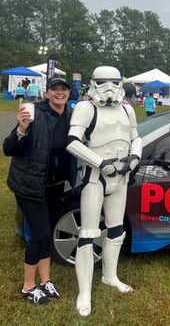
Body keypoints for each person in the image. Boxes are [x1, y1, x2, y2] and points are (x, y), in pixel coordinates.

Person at [66, 66, 142, 317]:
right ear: (93, 83)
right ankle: (84, 292)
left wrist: (135, 156)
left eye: (114, 83)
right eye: (103, 83)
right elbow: (72, 141)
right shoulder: (86, 108)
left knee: (116, 229)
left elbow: (136, 137)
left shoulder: (127, 109)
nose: (109, 89)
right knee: (88, 233)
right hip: (95, 177)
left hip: (120, 175)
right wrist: (99, 163)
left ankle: (110, 276)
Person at [3, 77, 77, 305]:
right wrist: (22, 129)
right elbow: (8, 148)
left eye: (63, 89)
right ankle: (28, 287)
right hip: (29, 185)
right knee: (40, 234)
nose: (59, 92)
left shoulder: (72, 116)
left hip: (56, 185)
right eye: (54, 89)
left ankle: (46, 281)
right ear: (47, 93)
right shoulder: (35, 113)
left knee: (48, 232)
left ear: (69, 93)